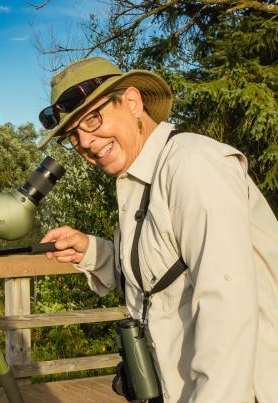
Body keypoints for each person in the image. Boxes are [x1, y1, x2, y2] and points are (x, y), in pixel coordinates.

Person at [37, 57, 278, 403]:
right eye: (73, 136)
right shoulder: (138, 180)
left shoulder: (192, 165)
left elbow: (229, 309)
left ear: (133, 102)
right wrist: (92, 251)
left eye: (92, 118)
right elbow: (159, 279)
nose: (86, 142)